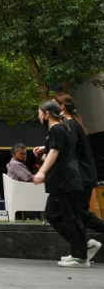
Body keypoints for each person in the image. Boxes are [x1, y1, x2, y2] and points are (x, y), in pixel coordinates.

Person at [32, 100, 91, 267]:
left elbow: (56, 152)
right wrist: (43, 153)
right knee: (53, 214)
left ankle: (80, 256)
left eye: (39, 113)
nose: (38, 116)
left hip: (67, 180)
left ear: (47, 114)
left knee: (72, 217)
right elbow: (55, 154)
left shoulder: (57, 128)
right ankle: (79, 249)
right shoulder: (56, 130)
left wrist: (42, 171)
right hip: (61, 181)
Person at [54, 94, 104, 255]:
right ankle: (83, 249)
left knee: (78, 214)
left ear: (61, 106)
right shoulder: (72, 124)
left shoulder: (70, 125)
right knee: (79, 214)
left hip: (82, 177)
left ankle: (82, 250)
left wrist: (49, 152)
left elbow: (69, 148)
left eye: (54, 104)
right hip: (84, 176)